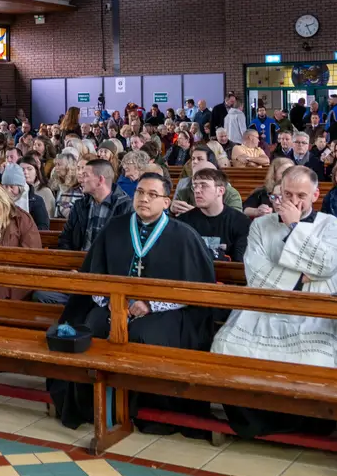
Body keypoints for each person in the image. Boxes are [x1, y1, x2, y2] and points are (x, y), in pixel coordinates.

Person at [48, 170, 219, 434]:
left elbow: (195, 289)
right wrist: (110, 301)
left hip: (163, 312)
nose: (144, 199)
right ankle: (93, 406)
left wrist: (151, 304)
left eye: (152, 194)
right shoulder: (115, 228)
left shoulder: (183, 236)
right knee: (93, 327)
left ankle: (147, 411)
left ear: (166, 201)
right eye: (140, 192)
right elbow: (95, 273)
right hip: (113, 307)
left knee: (142, 335)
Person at [213, 166, 337, 438]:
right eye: (287, 194)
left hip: (315, 308)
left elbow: (327, 263)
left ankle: (310, 425)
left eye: (301, 195)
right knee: (227, 345)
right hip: (267, 305)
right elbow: (255, 272)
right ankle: (252, 422)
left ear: (315, 195)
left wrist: (295, 226)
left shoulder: (332, 225)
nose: (292, 201)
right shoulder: (261, 225)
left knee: (314, 357)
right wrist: (302, 275)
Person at [56, 158, 130, 255]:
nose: (81, 180)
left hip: (109, 263)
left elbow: (127, 247)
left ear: (100, 180)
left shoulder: (125, 207)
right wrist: (70, 261)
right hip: (78, 261)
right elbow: (65, 239)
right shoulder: (79, 205)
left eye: (85, 175)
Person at [176, 168, 250, 261]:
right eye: (195, 186)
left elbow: (239, 262)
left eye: (203, 186)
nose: (197, 190)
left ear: (220, 191)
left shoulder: (241, 223)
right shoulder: (183, 222)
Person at [0, 163, 50, 231]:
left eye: (12, 187)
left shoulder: (36, 201)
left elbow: (43, 227)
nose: (8, 190)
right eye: (5, 186)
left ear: (20, 187)